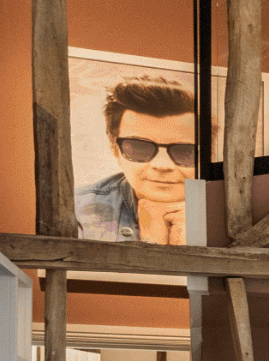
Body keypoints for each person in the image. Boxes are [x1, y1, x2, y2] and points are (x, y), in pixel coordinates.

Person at [76, 80, 198, 244]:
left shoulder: (232, 216)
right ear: (115, 150)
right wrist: (151, 243)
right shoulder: (74, 212)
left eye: (184, 151)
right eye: (140, 147)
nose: (162, 165)